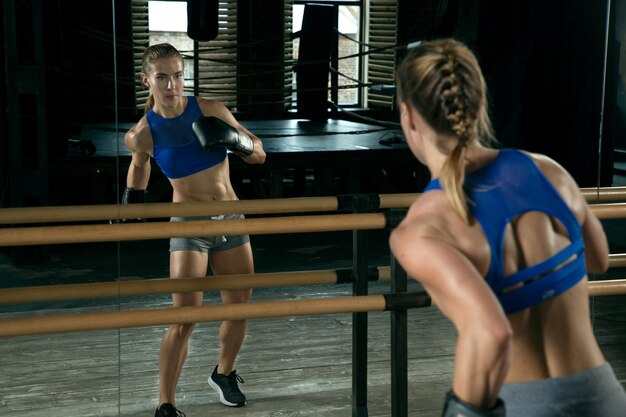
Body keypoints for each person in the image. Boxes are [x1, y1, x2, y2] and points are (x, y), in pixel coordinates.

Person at [390, 38, 626, 417]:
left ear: (409, 116)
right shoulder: (548, 171)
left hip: (523, 405)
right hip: (603, 395)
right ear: (479, 102)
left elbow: (491, 332)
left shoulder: (421, 229)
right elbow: (597, 258)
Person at [123, 43, 266, 417]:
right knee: (185, 316)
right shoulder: (143, 133)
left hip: (231, 219)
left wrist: (234, 142)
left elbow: (260, 154)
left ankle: (224, 373)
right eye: (162, 78)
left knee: (239, 308)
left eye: (178, 76)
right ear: (146, 81)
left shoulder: (210, 110)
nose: (172, 85)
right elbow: (139, 168)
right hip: (189, 224)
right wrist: (131, 199)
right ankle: (165, 403)